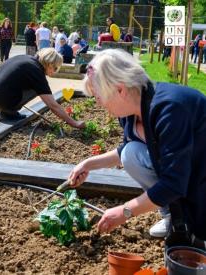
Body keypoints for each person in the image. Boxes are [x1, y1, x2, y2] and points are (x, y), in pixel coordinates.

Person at [69, 49, 206, 249]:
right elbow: (128, 149)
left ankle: (188, 220)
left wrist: (125, 211)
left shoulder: (170, 109)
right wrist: (88, 164)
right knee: (130, 153)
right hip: (185, 170)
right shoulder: (130, 112)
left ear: (120, 89)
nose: (98, 103)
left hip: (200, 173)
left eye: (98, 97)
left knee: (197, 239)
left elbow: (174, 183)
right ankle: (174, 215)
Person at [0, 48, 85, 130]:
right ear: (49, 64)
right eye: (55, 68)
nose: (55, 72)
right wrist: (74, 123)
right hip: (0, 97)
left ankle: (5, 116)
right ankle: (10, 111)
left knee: (3, 114)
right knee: (39, 89)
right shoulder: (36, 72)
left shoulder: (27, 58)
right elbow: (52, 105)